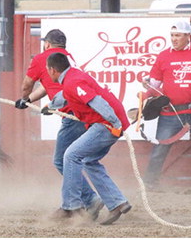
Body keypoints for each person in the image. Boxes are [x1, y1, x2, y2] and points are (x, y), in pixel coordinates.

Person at [15, 29, 104, 220]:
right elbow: (47, 86)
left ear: (47, 44)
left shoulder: (42, 58)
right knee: (72, 158)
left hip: (72, 113)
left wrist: (23, 97)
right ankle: (88, 201)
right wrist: (29, 99)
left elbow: (26, 83)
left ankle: (86, 201)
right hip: (82, 111)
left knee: (63, 159)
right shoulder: (68, 59)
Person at [45, 52, 132, 225]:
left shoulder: (73, 82)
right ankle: (117, 203)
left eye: (47, 70)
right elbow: (66, 95)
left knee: (70, 155)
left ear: (53, 70)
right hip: (108, 122)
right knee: (89, 161)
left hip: (106, 124)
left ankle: (70, 206)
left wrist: (115, 123)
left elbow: (97, 102)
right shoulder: (73, 77)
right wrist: (50, 106)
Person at [143, 20, 191, 188]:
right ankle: (149, 184)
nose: (174, 39)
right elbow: (155, 83)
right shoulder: (163, 56)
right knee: (160, 149)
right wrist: (147, 84)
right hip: (171, 112)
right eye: (172, 35)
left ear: (187, 36)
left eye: (178, 35)